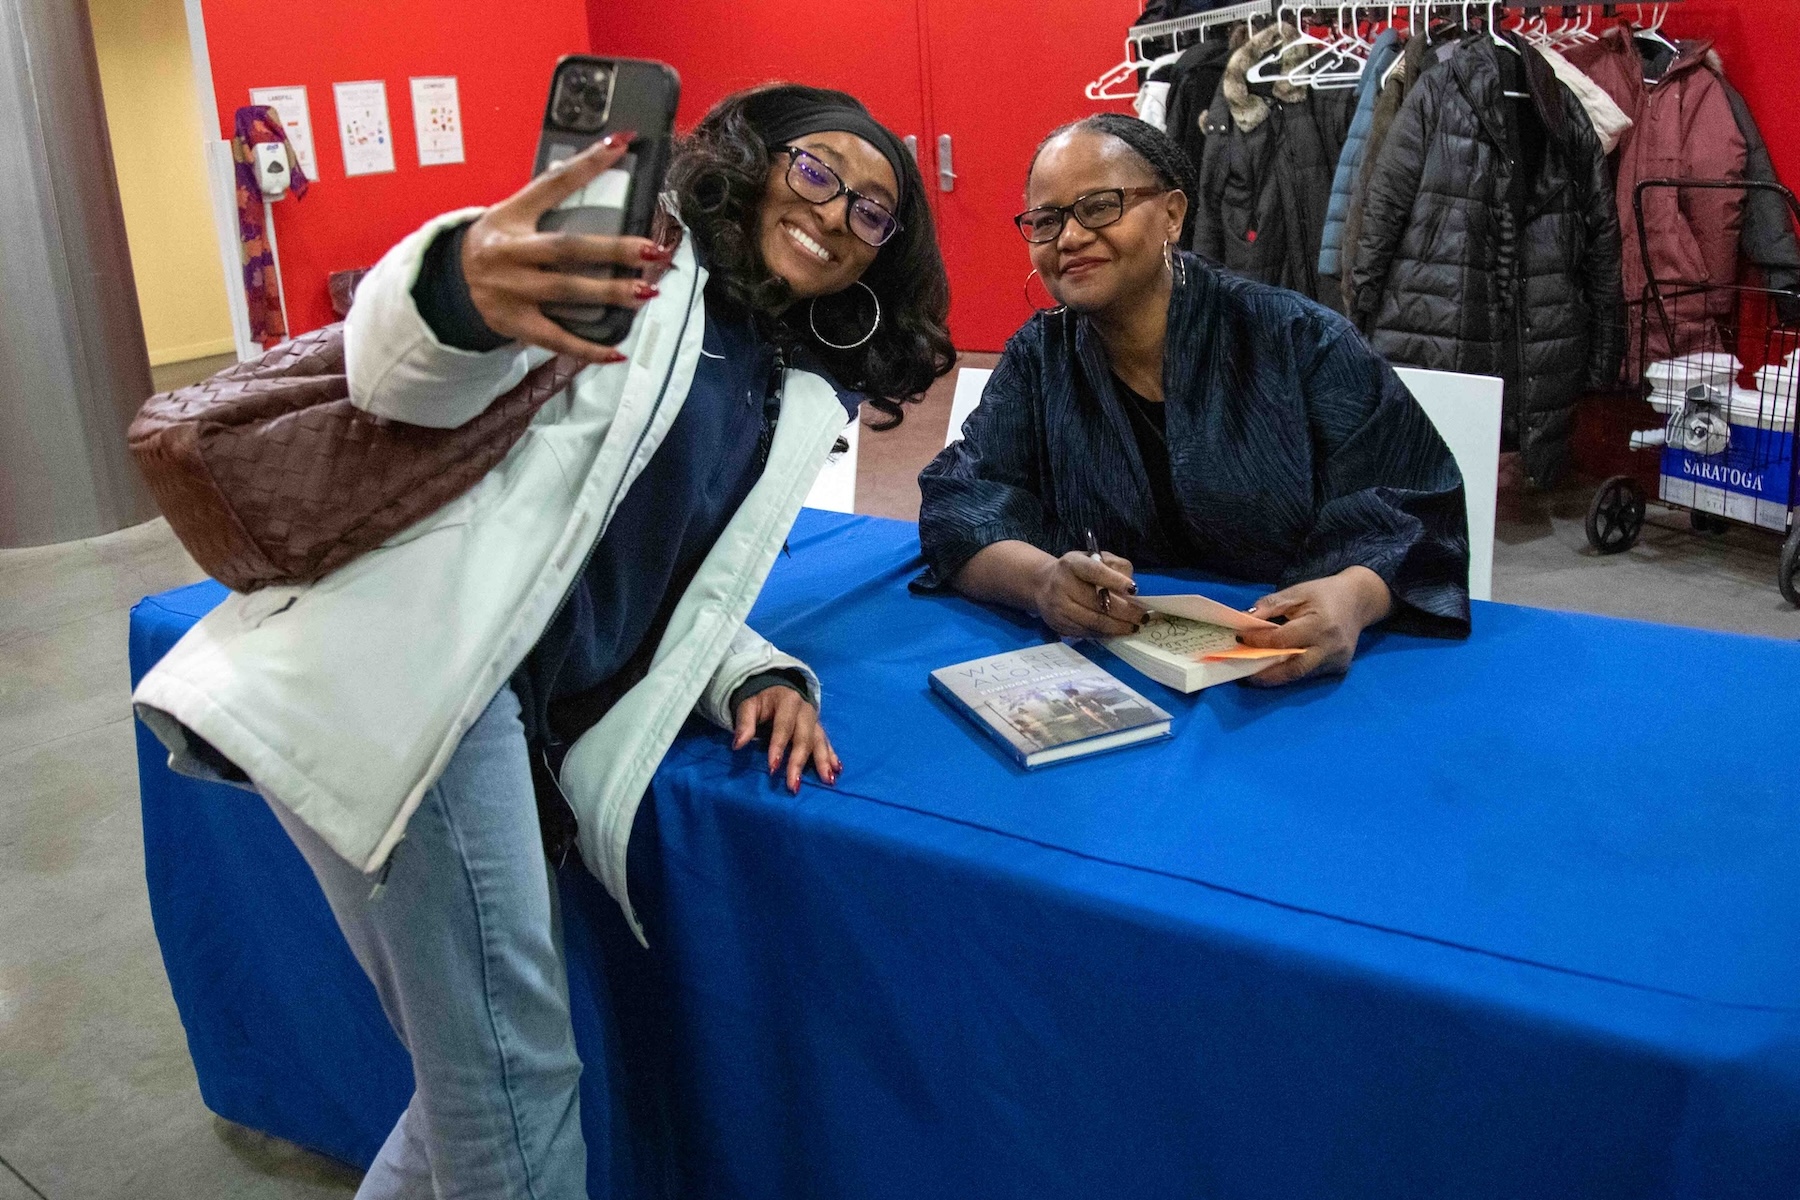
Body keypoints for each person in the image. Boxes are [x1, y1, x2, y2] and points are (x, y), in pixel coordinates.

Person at [133, 84, 952, 1197]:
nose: (836, 212)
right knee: (512, 1091)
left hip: (500, 715)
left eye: (872, 211)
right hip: (430, 688)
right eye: (818, 171)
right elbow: (406, 378)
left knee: (474, 1086)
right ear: (756, 158)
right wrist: (455, 289)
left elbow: (644, 560)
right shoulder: (634, 265)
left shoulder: (786, 382)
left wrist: (747, 663)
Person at [917, 114, 1469, 684]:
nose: (1071, 237)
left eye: (1100, 206)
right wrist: (1040, 583)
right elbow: (961, 503)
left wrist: (1351, 598)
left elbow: (1414, 503)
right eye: (1046, 220)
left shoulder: (1296, 338)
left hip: (1291, 671)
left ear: (1173, 214)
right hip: (1113, 667)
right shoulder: (1040, 358)